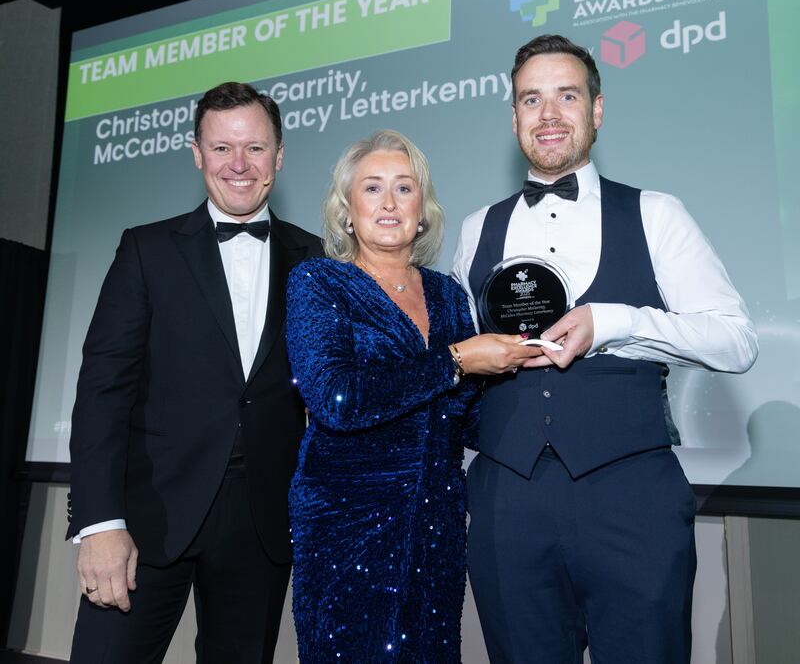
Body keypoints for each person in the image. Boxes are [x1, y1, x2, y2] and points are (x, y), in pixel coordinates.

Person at [452, 35, 758, 663]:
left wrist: (614, 322)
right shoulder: (476, 227)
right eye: (531, 99)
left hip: (632, 498)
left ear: (597, 109)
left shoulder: (656, 214)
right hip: (507, 498)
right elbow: (464, 361)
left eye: (567, 95)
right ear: (513, 119)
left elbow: (735, 340)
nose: (549, 114)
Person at [67, 81, 322, 663]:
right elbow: (101, 392)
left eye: (255, 149)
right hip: (144, 519)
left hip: (260, 524)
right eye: (222, 148)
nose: (239, 165)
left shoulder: (317, 260)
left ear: (278, 157)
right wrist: (99, 523)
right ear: (196, 153)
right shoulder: (146, 250)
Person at [284, 130, 531, 662]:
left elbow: (463, 419)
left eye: (404, 188)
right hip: (345, 526)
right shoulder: (319, 282)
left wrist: (533, 366)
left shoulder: (448, 294)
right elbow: (337, 401)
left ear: (423, 209)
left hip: (437, 524)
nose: (390, 203)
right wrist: (459, 359)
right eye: (372, 188)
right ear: (348, 209)